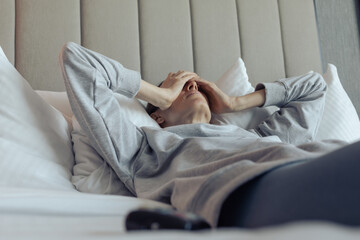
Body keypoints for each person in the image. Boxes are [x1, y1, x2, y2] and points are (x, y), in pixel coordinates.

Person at [59, 42, 360, 228]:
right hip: (247, 189)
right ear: (158, 115)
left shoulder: (255, 135)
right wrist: (161, 93)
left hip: (311, 158)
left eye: (198, 85)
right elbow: (77, 60)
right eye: (181, 86)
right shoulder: (141, 152)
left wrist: (234, 103)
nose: (193, 87)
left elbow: (314, 89)